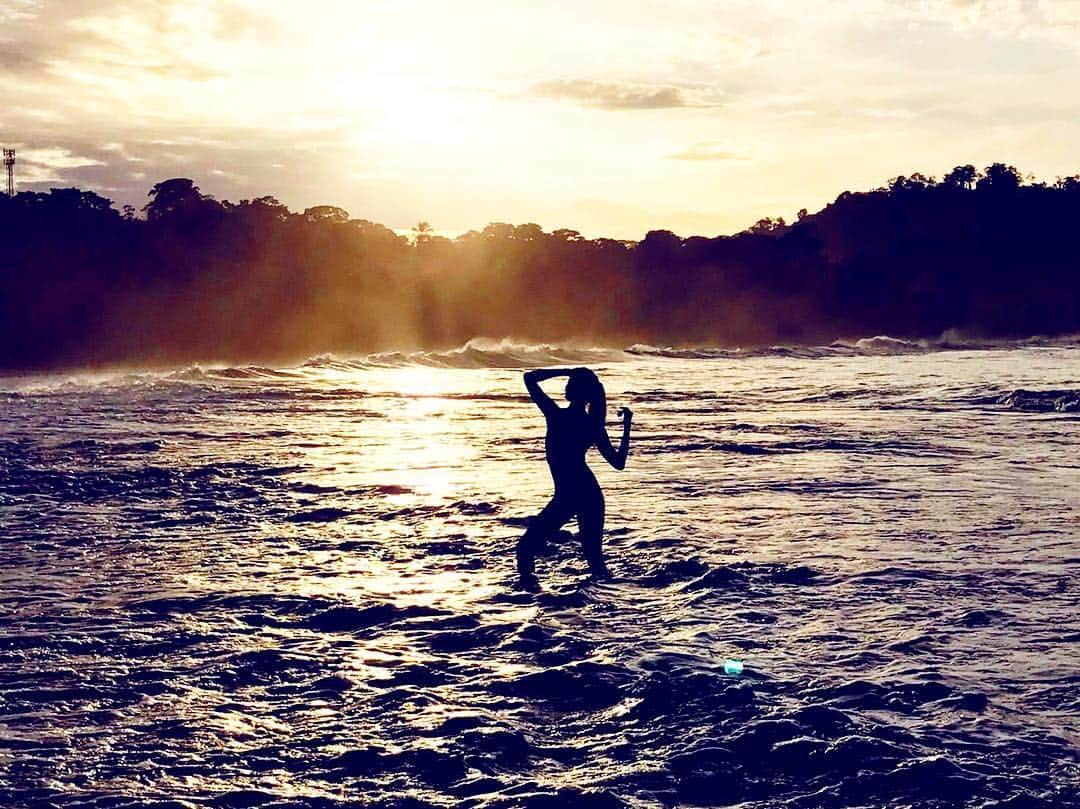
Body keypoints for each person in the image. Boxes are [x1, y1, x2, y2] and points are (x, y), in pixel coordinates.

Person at [516, 367, 632, 588]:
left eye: (570, 383)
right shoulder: (592, 425)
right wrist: (627, 427)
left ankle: (530, 595)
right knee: (595, 562)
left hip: (571, 495)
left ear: (575, 390)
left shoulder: (556, 415)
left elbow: (529, 378)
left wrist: (566, 370)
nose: (566, 385)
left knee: (525, 549)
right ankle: (606, 607)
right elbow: (619, 463)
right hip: (588, 494)